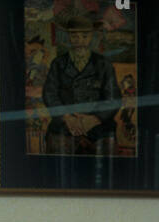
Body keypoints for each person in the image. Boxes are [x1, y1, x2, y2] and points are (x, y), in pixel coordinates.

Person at [42, 11, 121, 157]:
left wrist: (93, 119)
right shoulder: (58, 64)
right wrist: (67, 117)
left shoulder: (103, 64)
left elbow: (114, 98)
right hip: (64, 127)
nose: (80, 40)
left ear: (91, 37)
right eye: (74, 36)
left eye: (85, 36)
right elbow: (49, 94)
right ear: (68, 37)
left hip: (99, 129)